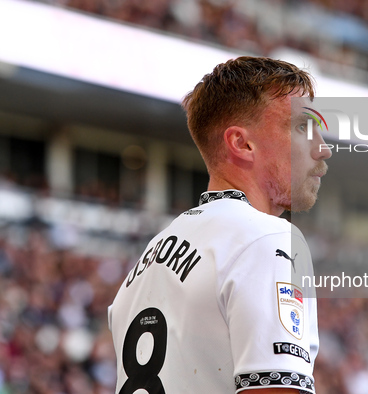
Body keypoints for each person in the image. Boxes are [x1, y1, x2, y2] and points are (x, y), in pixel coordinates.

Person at [108, 56, 331, 393]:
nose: (322, 149)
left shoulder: (146, 260)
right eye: (302, 127)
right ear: (242, 144)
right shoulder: (268, 238)